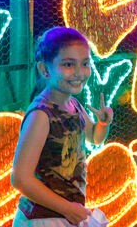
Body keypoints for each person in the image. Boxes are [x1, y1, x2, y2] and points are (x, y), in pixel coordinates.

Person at [12, 27, 113, 227]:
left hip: (66, 213)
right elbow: (21, 179)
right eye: (68, 64)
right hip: (44, 218)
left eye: (85, 63)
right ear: (45, 69)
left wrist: (102, 123)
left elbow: (94, 137)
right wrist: (67, 209)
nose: (79, 73)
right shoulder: (41, 115)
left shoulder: (73, 105)